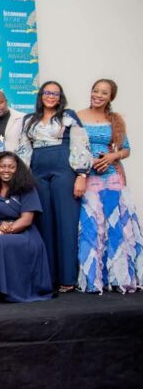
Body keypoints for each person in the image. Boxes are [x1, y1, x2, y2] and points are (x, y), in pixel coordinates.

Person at [17, 81, 91, 293]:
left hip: (64, 170)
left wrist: (81, 175)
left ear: (60, 98)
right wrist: (22, 178)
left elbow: (80, 143)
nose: (51, 96)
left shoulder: (68, 116)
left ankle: (68, 278)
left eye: (55, 93)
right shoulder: (29, 119)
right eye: (47, 92)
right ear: (41, 95)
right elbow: (24, 149)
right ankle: (48, 277)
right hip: (38, 172)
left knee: (66, 223)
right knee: (44, 223)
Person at [77, 79, 143, 294]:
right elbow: (72, 147)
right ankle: (94, 279)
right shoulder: (77, 116)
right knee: (92, 227)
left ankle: (118, 278)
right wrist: (89, 161)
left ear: (110, 97)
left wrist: (112, 156)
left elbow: (126, 149)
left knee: (116, 227)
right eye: (95, 90)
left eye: (104, 93)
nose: (98, 95)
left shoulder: (115, 120)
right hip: (88, 177)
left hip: (113, 178)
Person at [0, 152, 53, 302]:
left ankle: (5, 291)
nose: (6, 170)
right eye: (2, 166)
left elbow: (26, 220)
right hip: (1, 233)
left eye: (11, 167)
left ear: (17, 169)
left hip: (25, 235)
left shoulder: (27, 188)